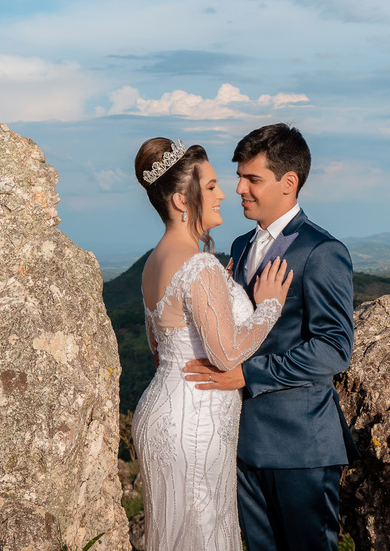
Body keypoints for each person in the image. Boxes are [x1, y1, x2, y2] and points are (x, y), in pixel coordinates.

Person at [184, 124, 357, 551]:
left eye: (253, 179)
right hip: (243, 443)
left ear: (289, 182)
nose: (239, 188)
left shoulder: (321, 251)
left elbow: (334, 348)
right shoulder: (241, 245)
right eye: (240, 177)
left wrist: (248, 373)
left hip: (300, 446)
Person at [132, 137, 293, 550]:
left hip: (163, 409)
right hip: (196, 420)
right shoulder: (198, 264)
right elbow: (224, 354)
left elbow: (159, 349)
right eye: (210, 186)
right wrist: (269, 307)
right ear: (182, 201)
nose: (223, 194)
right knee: (203, 529)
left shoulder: (155, 261)